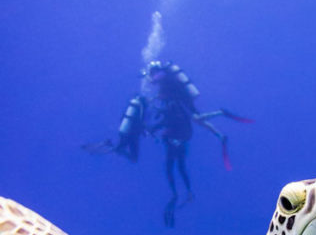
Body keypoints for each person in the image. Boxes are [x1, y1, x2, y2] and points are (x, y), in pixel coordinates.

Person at [84, 61, 252, 226]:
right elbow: (164, 108)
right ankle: (219, 132)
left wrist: (148, 80)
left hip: (180, 110)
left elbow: (161, 102)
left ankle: (220, 118)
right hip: (181, 115)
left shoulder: (165, 80)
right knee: (196, 121)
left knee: (194, 122)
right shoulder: (169, 84)